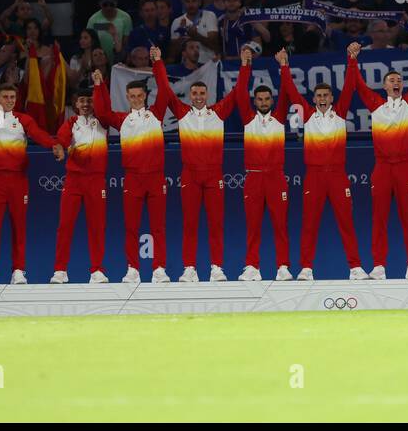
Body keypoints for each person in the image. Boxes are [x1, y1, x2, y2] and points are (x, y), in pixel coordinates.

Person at [0, 71, 65, 286]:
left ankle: (18, 270)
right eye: (5, 97)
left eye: (12, 98)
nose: (9, 101)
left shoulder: (23, 119)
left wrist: (53, 145)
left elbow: (38, 133)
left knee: (19, 226)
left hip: (18, 181)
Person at [280, 44, 368, 281]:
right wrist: (284, 66)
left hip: (338, 176)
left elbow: (350, 86)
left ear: (331, 98)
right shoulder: (306, 115)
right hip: (315, 176)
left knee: (346, 222)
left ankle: (355, 268)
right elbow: (290, 91)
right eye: (318, 96)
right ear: (314, 99)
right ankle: (306, 268)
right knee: (309, 223)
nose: (322, 99)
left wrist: (352, 59)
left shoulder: (340, 113)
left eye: (325, 96)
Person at [154, 50, 241, 283]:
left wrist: (245, 64)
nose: (199, 96)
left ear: (208, 94)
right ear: (190, 95)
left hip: (214, 176)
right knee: (190, 224)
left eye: (202, 93)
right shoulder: (182, 113)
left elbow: (238, 93)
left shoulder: (218, 113)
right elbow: (165, 89)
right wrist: (158, 62)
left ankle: (216, 268)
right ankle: (189, 268)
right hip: (190, 175)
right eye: (195, 93)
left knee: (216, 224)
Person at [351, 39, 408, 280]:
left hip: (405, 168)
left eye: (398, 80)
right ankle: (378, 266)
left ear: (402, 85)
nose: (395, 82)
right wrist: (352, 60)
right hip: (382, 168)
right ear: (384, 86)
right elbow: (358, 85)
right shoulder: (376, 105)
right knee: (379, 218)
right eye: (391, 80)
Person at [91, 49, 170, 284]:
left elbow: (165, 90)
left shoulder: (156, 114)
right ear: (127, 97)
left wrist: (158, 62)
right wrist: (99, 86)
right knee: (131, 228)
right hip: (133, 179)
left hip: (155, 178)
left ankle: (159, 269)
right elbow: (102, 113)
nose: (136, 99)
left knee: (158, 227)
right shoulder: (121, 119)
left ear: (145, 96)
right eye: (132, 96)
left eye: (139, 96)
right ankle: (132, 269)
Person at [232, 47, 293, 281]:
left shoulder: (279, 118)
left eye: (268, 99)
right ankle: (252, 267)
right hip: (254, 178)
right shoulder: (249, 119)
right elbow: (239, 93)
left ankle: (283, 267)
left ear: (272, 101)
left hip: (276, 178)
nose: (264, 102)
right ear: (255, 101)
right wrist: (245, 65)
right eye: (260, 99)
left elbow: (287, 92)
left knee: (280, 225)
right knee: (253, 226)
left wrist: (284, 65)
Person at [51, 89, 110, 284]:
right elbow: (61, 140)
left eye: (90, 101)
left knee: (97, 227)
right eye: (82, 101)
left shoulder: (103, 121)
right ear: (76, 104)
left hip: (96, 180)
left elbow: (103, 105)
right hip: (74, 180)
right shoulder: (70, 123)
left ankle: (97, 270)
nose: (86, 104)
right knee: (65, 226)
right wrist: (61, 148)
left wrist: (99, 85)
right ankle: (60, 270)